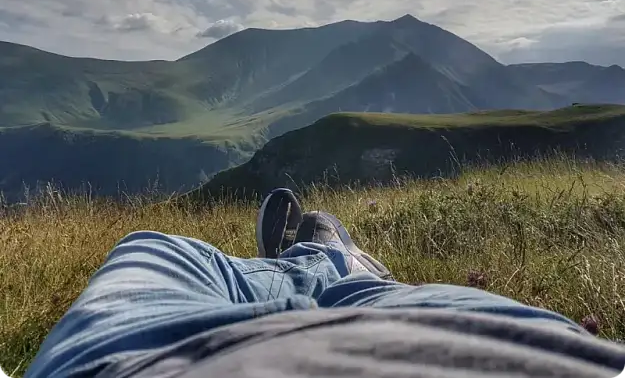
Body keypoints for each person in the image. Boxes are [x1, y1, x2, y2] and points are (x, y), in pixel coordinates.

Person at [25, 189, 625, 378]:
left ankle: (308, 263)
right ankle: (337, 264)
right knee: (380, 294)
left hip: (145, 362)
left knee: (152, 246)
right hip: (496, 342)